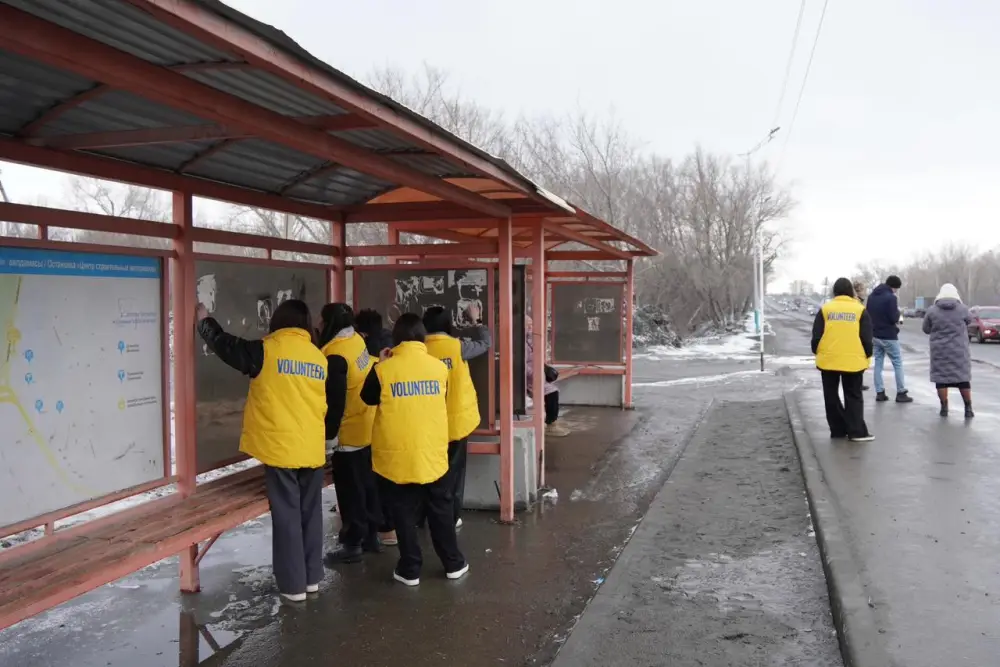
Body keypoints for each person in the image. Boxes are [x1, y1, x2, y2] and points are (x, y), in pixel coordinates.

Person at [196, 299, 327, 602]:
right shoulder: (318, 357)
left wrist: (205, 322)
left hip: (281, 449)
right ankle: (311, 579)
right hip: (311, 448)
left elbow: (227, 346)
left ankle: (293, 586)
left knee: (287, 517)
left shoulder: (266, 351)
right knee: (310, 514)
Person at [361, 313, 468, 586]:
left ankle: (410, 569)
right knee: (441, 509)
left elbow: (368, 397)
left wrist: (383, 362)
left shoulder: (384, 370)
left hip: (397, 457)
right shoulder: (437, 369)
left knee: (404, 513)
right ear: (422, 338)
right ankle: (453, 563)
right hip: (432, 452)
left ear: (396, 339)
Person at [317, 303, 384, 563]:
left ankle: (352, 543)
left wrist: (328, 442)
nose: (319, 326)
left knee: (350, 492)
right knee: (366, 488)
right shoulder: (355, 339)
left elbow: (335, 404)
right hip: (366, 426)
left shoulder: (335, 355)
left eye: (322, 321)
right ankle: (371, 538)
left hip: (348, 433)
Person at [423, 303, 492, 529]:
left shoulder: (419, 348)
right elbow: (485, 343)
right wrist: (476, 321)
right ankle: (451, 518)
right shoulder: (458, 347)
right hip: (456, 422)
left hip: (427, 423)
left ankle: (425, 516)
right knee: (454, 474)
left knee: (428, 469)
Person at [352, 308, 397, 545]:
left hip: (364, 425)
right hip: (388, 426)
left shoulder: (365, 352)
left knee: (368, 484)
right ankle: (388, 529)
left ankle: (381, 529)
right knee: (385, 480)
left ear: (363, 333)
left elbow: (367, 394)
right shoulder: (394, 345)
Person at [811, 278, 875, 442]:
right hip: (853, 360)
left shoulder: (825, 309)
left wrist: (817, 350)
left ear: (834, 292)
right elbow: (866, 337)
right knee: (853, 395)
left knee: (830, 395)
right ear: (850, 291)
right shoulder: (860, 310)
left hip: (828, 359)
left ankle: (838, 429)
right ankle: (856, 431)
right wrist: (867, 354)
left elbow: (817, 335)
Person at [922, 283, 974, 418]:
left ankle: (944, 408)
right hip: (959, 351)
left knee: (941, 380)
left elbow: (926, 329)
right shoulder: (963, 309)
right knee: (963, 379)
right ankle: (968, 409)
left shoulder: (932, 310)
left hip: (939, 351)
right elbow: (969, 320)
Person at [866, 275, 913, 403]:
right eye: (896, 289)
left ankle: (880, 392)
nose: (896, 291)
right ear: (894, 287)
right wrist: (898, 314)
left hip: (875, 335)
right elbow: (894, 318)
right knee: (897, 363)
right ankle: (901, 392)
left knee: (878, 363)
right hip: (889, 336)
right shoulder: (891, 298)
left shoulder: (871, 297)